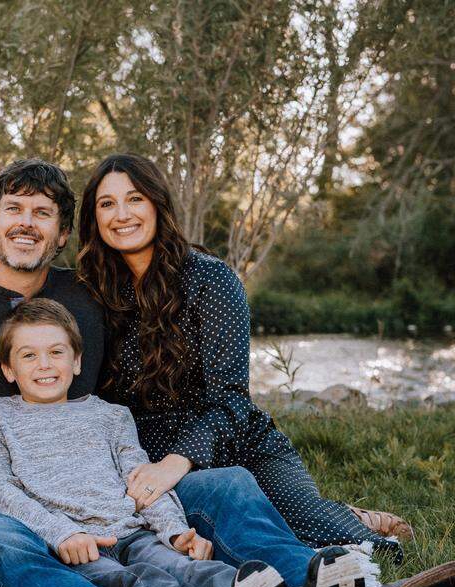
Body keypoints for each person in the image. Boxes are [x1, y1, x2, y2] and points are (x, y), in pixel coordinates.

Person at [0, 158, 455, 587]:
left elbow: (171, 397)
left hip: (125, 477)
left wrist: (164, 483)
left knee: (232, 485)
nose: (26, 222)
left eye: (42, 212)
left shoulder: (88, 293)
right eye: (13, 209)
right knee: (7, 544)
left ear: (63, 233)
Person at [0, 298, 373, 587]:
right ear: (8, 369)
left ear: (77, 361)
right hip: (76, 545)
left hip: (133, 529)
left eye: (56, 352)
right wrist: (61, 533)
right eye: (28, 355)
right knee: (139, 583)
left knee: (190, 568)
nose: (44, 365)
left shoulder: (109, 415)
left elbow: (143, 480)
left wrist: (175, 530)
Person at [76, 152, 412, 559]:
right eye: (107, 204)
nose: (121, 214)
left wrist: (176, 463)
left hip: (235, 444)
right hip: (143, 457)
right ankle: (338, 512)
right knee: (210, 541)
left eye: (135, 199)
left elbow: (231, 398)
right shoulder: (91, 292)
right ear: (93, 219)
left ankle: (346, 522)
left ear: (157, 204)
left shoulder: (211, 280)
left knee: (316, 533)